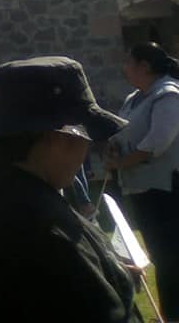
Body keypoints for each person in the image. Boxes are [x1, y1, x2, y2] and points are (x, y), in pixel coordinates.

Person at [0, 57, 139, 323]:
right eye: (84, 136)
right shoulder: (40, 223)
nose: (85, 148)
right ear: (57, 135)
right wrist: (113, 280)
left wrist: (104, 270)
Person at [105, 42, 179, 320]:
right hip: (140, 189)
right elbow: (122, 131)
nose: (124, 67)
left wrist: (121, 163)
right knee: (162, 257)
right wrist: (113, 148)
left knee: (172, 258)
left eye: (128, 62)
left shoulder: (168, 95)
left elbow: (157, 143)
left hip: (167, 190)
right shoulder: (133, 98)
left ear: (144, 66)